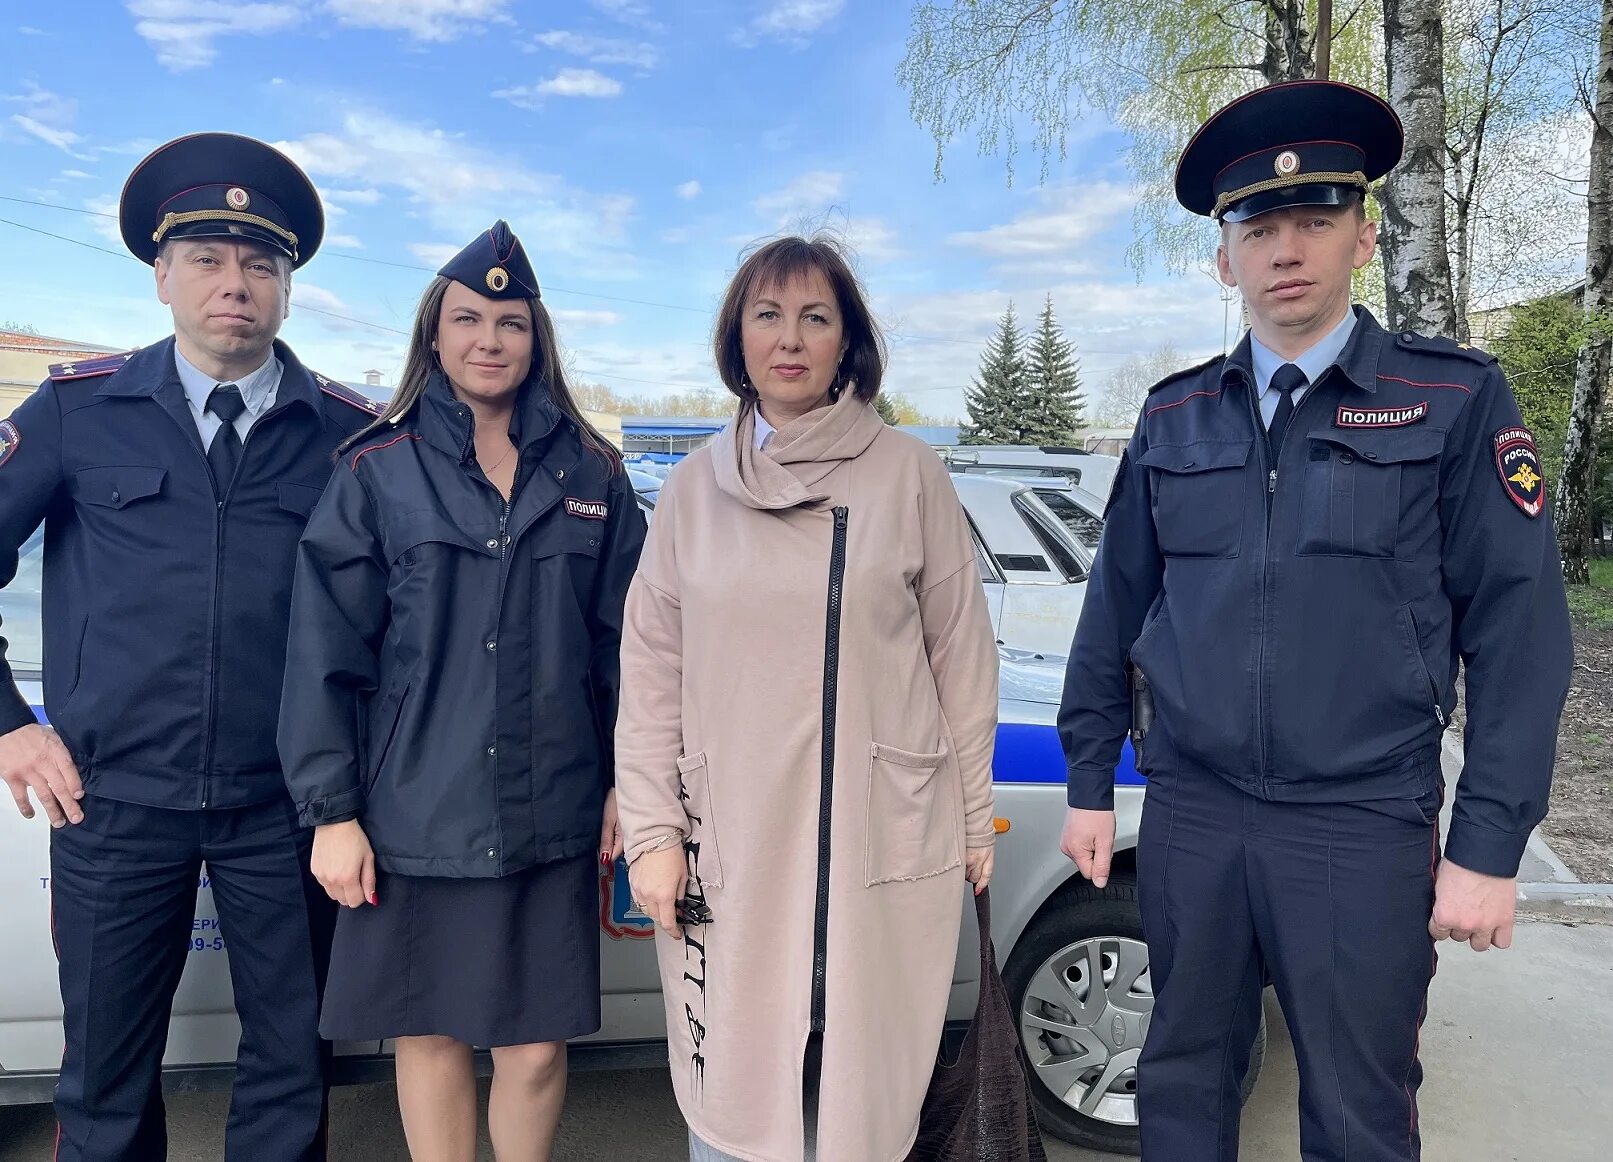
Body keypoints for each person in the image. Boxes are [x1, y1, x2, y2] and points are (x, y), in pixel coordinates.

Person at [1057, 80, 1575, 1161]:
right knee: (1182, 1078)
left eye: (1314, 220)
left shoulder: (1450, 401)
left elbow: (1519, 632)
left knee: (1356, 1107)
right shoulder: (1172, 415)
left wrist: (1484, 844)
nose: (1285, 248)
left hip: (1359, 821)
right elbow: (1113, 607)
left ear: (1361, 236)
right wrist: (1088, 782)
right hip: (1193, 814)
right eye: (1258, 227)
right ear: (1223, 258)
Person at [0, 133, 381, 1161]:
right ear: (162, 275)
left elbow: (400, 613)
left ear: (288, 289)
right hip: (113, 798)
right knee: (105, 1078)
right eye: (208, 259)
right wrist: (8, 727)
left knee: (291, 1070)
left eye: (261, 264)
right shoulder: (80, 411)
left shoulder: (348, 434)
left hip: (286, 804)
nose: (235, 284)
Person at [614, 235, 1000, 1162]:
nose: (789, 339)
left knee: (866, 1100)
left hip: (882, 833)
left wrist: (972, 812)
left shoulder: (909, 473)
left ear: (847, 342)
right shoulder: (691, 493)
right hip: (731, 837)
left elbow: (960, 654)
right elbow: (651, 676)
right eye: (767, 315)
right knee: (739, 1094)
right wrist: (654, 835)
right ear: (736, 338)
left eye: (814, 318)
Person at [277, 220, 645, 1162]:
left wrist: (625, 787)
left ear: (538, 338)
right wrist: (331, 812)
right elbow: (324, 654)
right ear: (433, 336)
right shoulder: (374, 471)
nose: (489, 339)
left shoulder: (592, 474)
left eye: (511, 322)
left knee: (531, 1050)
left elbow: (631, 654)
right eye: (468, 319)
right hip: (413, 816)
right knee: (430, 1035)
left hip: (552, 810)